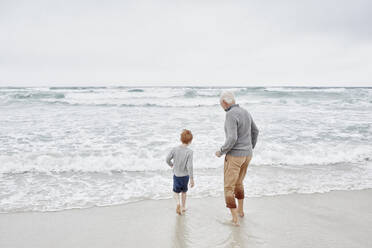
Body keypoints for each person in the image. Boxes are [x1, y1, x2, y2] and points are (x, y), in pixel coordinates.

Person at [215, 91, 259, 226]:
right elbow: (255, 131)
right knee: (239, 183)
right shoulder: (245, 112)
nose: (221, 107)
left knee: (228, 187)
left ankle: (234, 219)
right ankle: (240, 211)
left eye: (221, 104)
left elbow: (232, 138)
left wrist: (221, 151)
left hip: (235, 156)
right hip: (247, 155)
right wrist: (250, 147)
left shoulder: (230, 114)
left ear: (224, 103)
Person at [166, 129, 195, 215]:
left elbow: (167, 159)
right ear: (190, 141)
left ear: (180, 139)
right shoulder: (190, 152)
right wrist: (192, 178)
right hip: (185, 176)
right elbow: (190, 166)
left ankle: (178, 203)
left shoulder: (174, 149)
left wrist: (171, 165)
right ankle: (183, 207)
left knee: (175, 192)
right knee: (184, 192)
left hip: (176, 175)